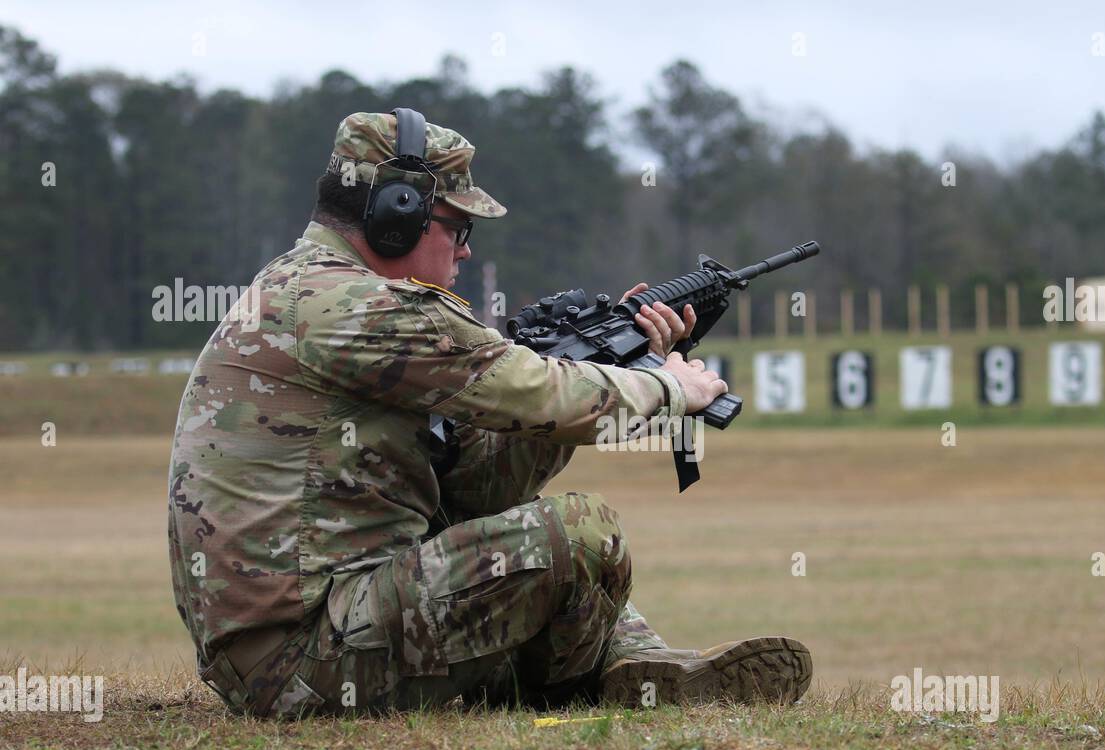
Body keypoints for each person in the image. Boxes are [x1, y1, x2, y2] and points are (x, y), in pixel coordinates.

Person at [167, 109, 812, 717]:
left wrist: (621, 352)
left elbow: (477, 485)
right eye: (458, 228)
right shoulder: (357, 306)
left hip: (291, 644)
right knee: (582, 531)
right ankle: (597, 674)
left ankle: (639, 666)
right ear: (398, 216)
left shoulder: (303, 286)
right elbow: (541, 394)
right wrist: (669, 387)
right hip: (303, 660)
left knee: (534, 540)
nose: (466, 252)